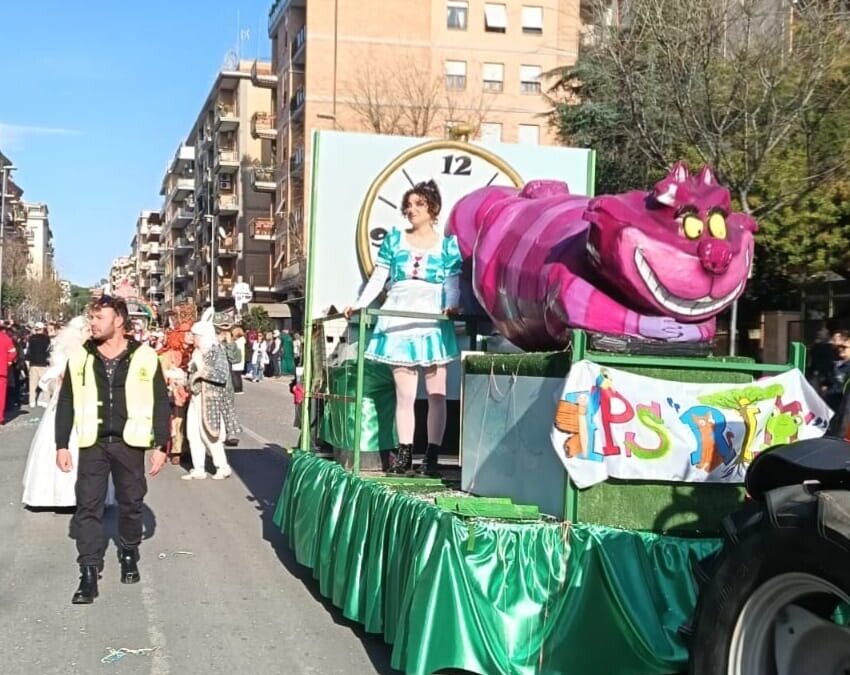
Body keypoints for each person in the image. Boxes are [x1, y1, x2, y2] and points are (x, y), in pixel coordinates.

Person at [55, 296, 170, 604]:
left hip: (129, 442)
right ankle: (88, 572)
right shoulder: (80, 356)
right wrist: (61, 444)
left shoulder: (144, 356)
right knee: (87, 506)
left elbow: (161, 400)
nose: (92, 323)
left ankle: (129, 549)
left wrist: (162, 444)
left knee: (131, 502)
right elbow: (66, 400)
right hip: (92, 441)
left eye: (99, 318)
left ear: (118, 320)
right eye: (91, 318)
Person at [344, 179, 461, 476]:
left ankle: (432, 455)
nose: (411, 210)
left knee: (437, 393)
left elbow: (452, 280)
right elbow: (379, 276)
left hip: (432, 317)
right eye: (408, 205)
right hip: (399, 317)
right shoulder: (394, 240)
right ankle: (405, 455)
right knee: (405, 394)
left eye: (418, 204)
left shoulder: (447, 245)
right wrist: (360, 304)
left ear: (432, 208)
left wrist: (452, 305)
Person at [22, 317, 116, 508]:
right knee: (63, 445)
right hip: (66, 407)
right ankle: (56, 495)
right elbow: (52, 378)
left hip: (87, 407)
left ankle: (82, 495)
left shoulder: (93, 353)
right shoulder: (69, 355)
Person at [182, 320, 239, 481]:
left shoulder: (216, 351)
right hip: (196, 397)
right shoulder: (197, 353)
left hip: (210, 399)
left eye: (196, 336)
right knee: (193, 433)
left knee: (210, 434)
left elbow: (222, 374)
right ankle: (198, 467)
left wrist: (202, 371)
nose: (194, 339)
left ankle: (222, 466)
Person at [25, 322, 52, 408]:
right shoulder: (46, 338)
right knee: (45, 383)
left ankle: (32, 401)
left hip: (33, 363)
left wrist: (28, 362)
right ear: (42, 329)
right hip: (44, 363)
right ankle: (45, 401)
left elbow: (28, 351)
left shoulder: (31, 338)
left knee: (32, 384)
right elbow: (49, 350)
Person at [0, 321, 18, 424]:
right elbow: (13, 352)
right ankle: (0, 417)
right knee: (1, 395)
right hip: (2, 370)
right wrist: (8, 361)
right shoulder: (6, 339)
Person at [230, 326, 246, 394]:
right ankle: (238, 388)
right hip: (240, 360)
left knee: (236, 375)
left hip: (237, 359)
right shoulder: (241, 340)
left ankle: (237, 389)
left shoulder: (238, 341)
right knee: (237, 375)